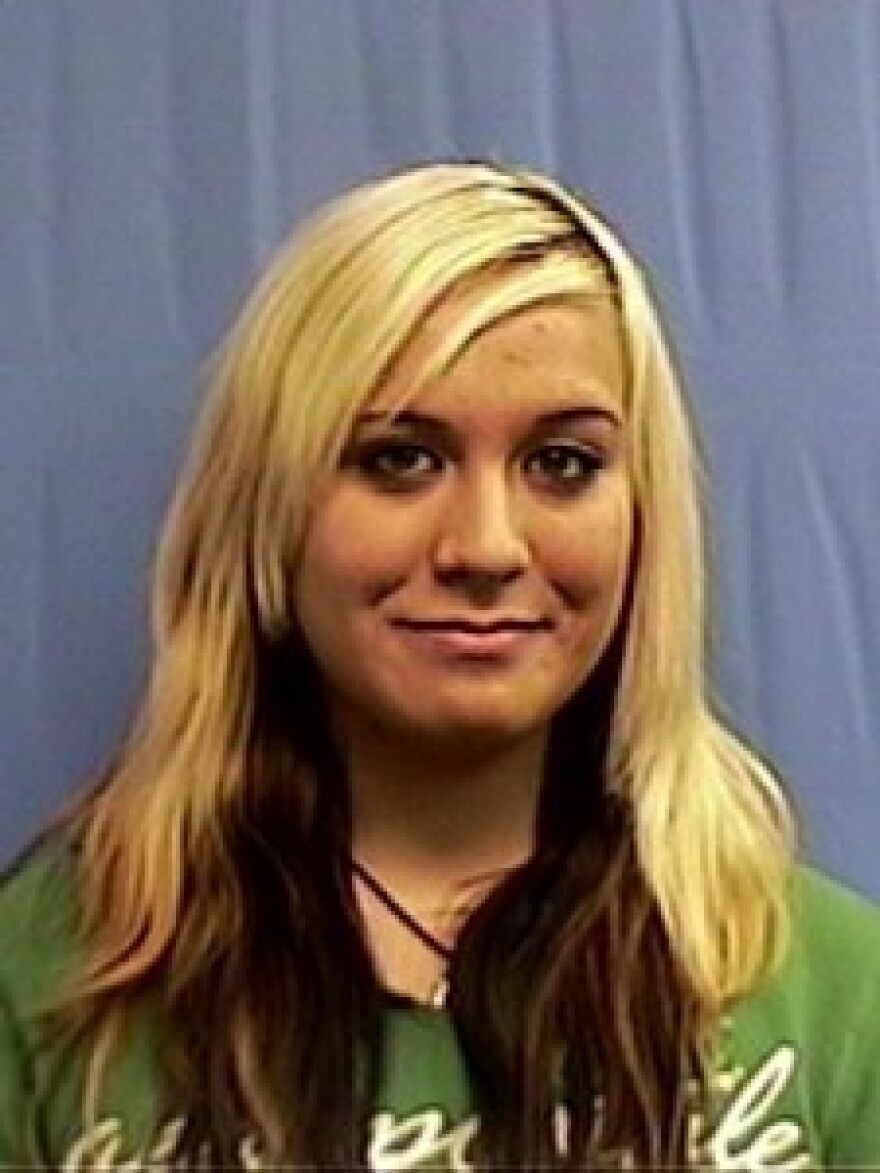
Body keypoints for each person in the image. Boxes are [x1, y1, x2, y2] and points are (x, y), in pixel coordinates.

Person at [0, 161, 878, 1171]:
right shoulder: (47, 982)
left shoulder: (833, 993)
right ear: (267, 510)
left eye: (562, 463)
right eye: (400, 459)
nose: (486, 547)